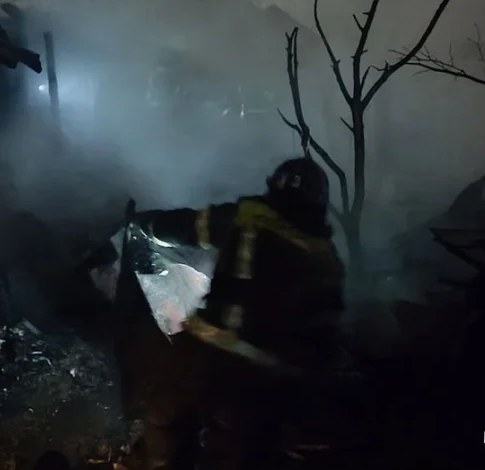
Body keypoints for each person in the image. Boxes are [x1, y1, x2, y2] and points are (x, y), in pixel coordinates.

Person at [131, 156, 346, 470]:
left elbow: (185, 227)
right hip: (264, 374)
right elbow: (325, 334)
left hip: (206, 351)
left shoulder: (248, 218)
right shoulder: (326, 260)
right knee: (230, 447)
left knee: (164, 419)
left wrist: (144, 224)